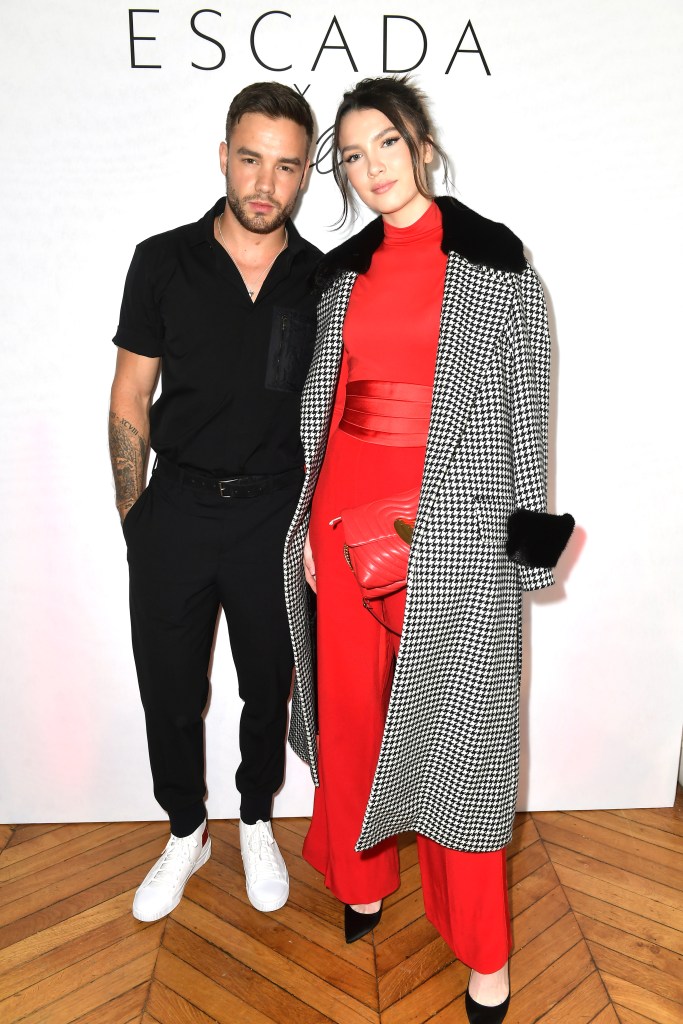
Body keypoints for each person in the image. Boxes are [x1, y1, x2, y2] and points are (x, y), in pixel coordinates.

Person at [283, 76, 572, 1023]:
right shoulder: (340, 272)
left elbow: (527, 415)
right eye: (351, 158)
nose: (369, 171)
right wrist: (311, 530)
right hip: (346, 520)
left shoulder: (495, 263)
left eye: (383, 147)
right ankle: (363, 885)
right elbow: (323, 412)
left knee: (462, 743)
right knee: (356, 719)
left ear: (420, 143)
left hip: (453, 537)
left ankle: (484, 954)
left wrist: (524, 547)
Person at [109, 81, 321, 923]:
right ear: (223, 157)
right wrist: (137, 521)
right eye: (249, 159)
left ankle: (257, 818)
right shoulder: (161, 259)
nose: (264, 183)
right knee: (168, 685)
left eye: (286, 166)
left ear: (306, 175)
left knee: (266, 685)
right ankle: (186, 829)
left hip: (275, 513)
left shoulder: (323, 277)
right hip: (177, 510)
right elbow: (129, 394)